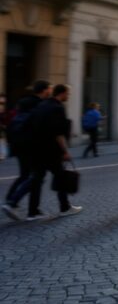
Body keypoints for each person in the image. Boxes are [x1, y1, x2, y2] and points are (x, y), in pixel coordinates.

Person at [27, 84, 81, 220]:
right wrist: (65, 151)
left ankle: (32, 212)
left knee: (37, 180)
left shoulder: (41, 105)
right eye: (67, 94)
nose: (68, 96)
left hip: (36, 148)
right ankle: (65, 207)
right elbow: (59, 133)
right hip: (52, 150)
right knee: (60, 177)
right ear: (62, 93)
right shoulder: (58, 108)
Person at [3, 80, 52, 221]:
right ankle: (21, 206)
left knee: (25, 175)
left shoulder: (23, 102)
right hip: (33, 145)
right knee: (37, 176)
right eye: (49, 89)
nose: (50, 91)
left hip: (18, 145)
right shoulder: (41, 105)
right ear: (44, 90)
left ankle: (10, 200)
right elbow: (41, 127)